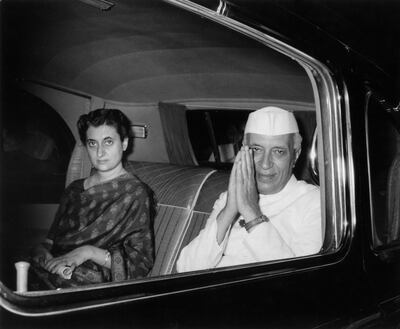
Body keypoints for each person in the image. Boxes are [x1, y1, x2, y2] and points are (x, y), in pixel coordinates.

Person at [177, 106, 322, 271]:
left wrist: (252, 214)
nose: (265, 164)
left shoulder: (315, 203)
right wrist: (229, 210)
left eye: (278, 152)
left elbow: (299, 280)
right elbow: (186, 268)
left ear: (295, 155)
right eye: (256, 150)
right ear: (243, 150)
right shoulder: (228, 198)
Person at [31, 109, 154, 288]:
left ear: (125, 143)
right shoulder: (74, 189)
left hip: (89, 280)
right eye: (92, 143)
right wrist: (41, 251)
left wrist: (87, 252)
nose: (100, 152)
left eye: (108, 142)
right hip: (53, 267)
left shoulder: (135, 193)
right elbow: (50, 241)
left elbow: (140, 264)